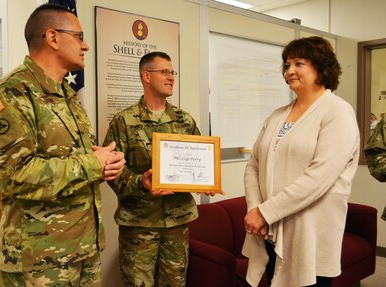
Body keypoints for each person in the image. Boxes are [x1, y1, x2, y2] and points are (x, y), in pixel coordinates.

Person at [0, 4, 125, 286]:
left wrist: (107, 164)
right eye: (79, 36)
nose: (86, 46)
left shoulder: (67, 95)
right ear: (53, 37)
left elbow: (82, 160)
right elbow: (14, 175)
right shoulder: (10, 93)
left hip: (84, 248)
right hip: (40, 261)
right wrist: (94, 163)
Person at [242, 36, 360, 287]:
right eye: (287, 65)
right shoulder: (277, 115)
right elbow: (254, 164)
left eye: (299, 63)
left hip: (309, 233)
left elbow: (320, 177)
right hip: (270, 231)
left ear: (321, 67)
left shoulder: (337, 112)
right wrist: (256, 209)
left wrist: (265, 212)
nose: (290, 70)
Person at [103, 51, 215, 287]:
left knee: (175, 284)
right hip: (139, 224)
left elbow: (198, 159)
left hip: (177, 222)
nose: (171, 77)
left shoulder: (185, 120)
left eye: (172, 72)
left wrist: (206, 179)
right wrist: (140, 183)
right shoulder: (124, 121)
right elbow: (112, 172)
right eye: (165, 72)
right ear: (146, 76)